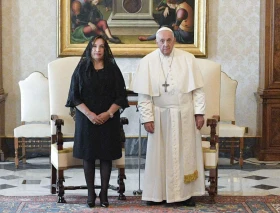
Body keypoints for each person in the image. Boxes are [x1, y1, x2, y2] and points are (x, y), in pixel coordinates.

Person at [131, 27, 205, 206]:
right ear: (156, 42)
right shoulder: (147, 62)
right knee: (158, 157)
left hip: (184, 115)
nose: (166, 44)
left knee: (185, 155)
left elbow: (198, 90)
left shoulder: (188, 59)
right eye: (162, 41)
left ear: (175, 40)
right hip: (159, 117)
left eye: (169, 40)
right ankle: (156, 195)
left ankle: (186, 195)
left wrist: (199, 113)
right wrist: (147, 117)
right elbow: (144, 96)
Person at [65, 35, 129, 208]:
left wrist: (108, 113)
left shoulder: (113, 69)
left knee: (106, 155)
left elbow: (121, 96)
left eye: (101, 46)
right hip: (86, 120)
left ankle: (104, 194)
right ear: (89, 48)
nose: (97, 50)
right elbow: (74, 97)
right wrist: (90, 114)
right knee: (89, 155)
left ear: (106, 49)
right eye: (94, 46)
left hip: (109, 119)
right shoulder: (81, 69)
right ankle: (91, 193)